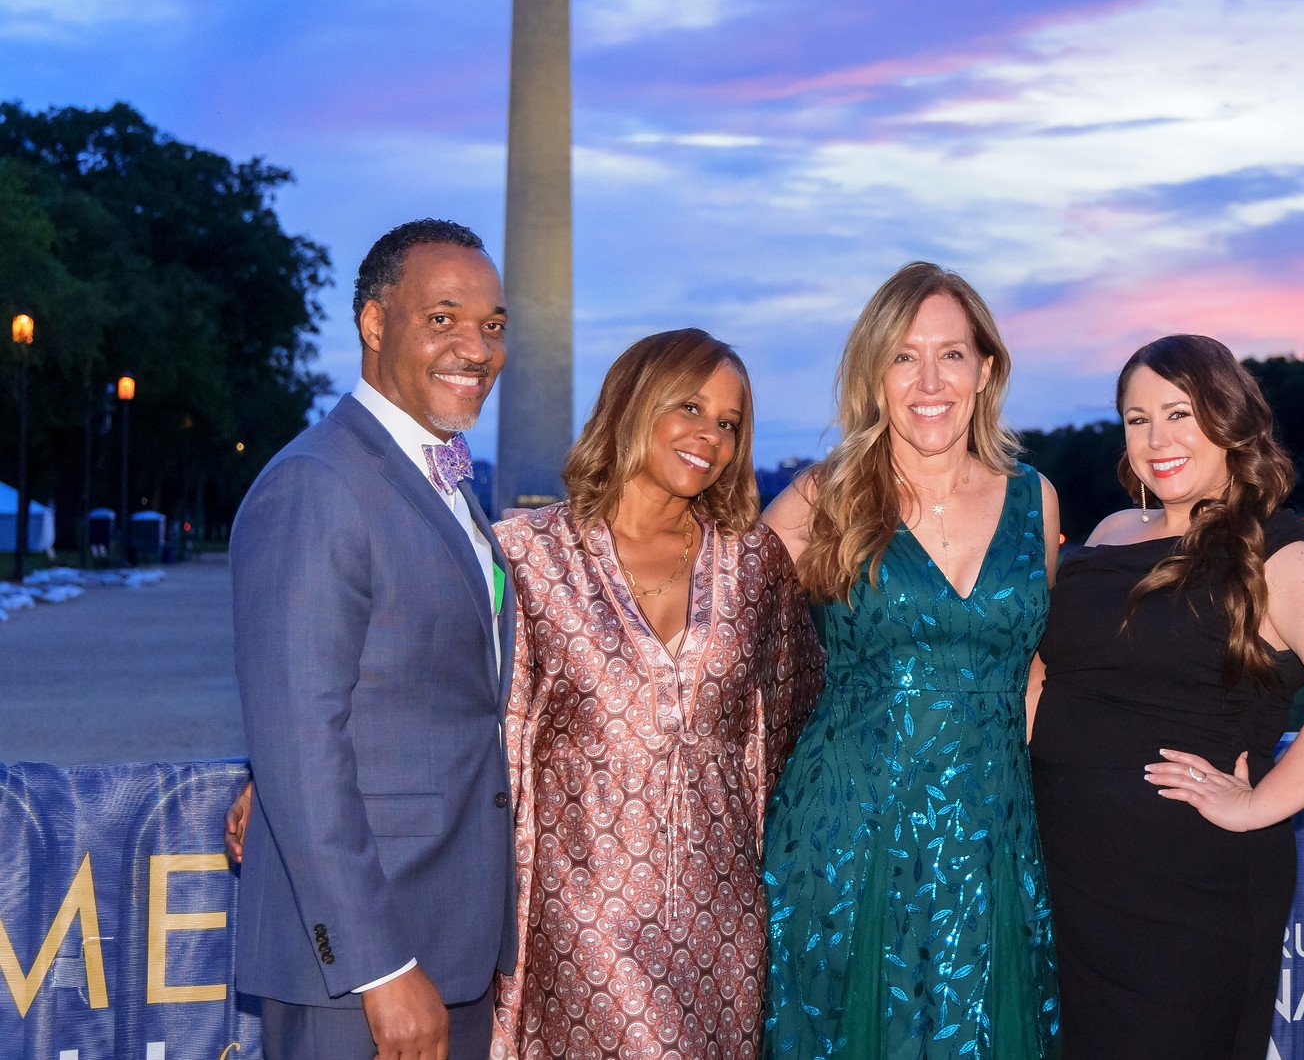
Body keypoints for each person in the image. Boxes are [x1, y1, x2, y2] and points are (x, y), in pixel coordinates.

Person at [1029, 334, 1304, 1060]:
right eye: (1138, 419)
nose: (1157, 439)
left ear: (1230, 419)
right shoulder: (1110, 532)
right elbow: (1051, 672)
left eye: (1180, 414)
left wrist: (1257, 805)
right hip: (1064, 877)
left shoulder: (1277, 552)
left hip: (1187, 895)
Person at [490, 328, 824, 1059]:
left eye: (729, 423)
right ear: (635, 401)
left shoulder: (754, 561)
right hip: (582, 922)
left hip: (723, 922)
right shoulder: (526, 557)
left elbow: (798, 713)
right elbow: (456, 720)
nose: (710, 436)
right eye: (690, 407)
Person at [757, 261, 1063, 1058]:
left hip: (990, 838)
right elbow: (723, 628)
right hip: (844, 840)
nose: (929, 381)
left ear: (985, 369)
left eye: (951, 353)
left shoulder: (1035, 498)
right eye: (903, 356)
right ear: (875, 374)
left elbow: (1032, 665)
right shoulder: (824, 498)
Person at [230, 220, 517, 1060]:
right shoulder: (316, 484)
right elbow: (300, 743)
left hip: (451, 939)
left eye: (492, 325)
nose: (477, 348)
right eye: (443, 318)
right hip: (362, 968)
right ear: (374, 322)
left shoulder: (445, 477)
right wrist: (381, 966)